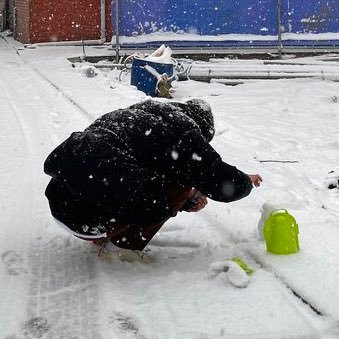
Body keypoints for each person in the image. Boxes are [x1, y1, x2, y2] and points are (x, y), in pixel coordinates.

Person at [44, 99, 262, 260]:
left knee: (154, 175)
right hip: (90, 220)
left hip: (62, 204)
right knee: (184, 180)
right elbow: (221, 183)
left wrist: (187, 202)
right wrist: (245, 180)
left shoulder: (138, 114)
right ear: (203, 129)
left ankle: (101, 235)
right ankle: (122, 249)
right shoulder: (182, 130)